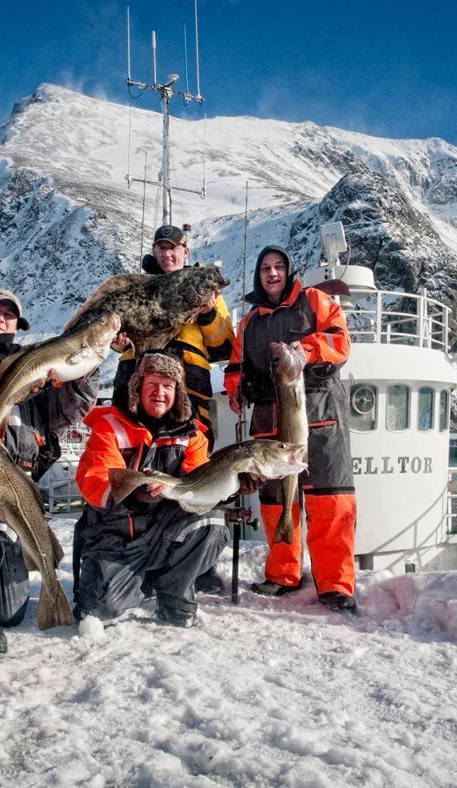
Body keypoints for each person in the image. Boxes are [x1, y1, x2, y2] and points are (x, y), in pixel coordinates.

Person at [0, 288, 95, 654]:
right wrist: (11, 382)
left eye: (8, 315)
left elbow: (68, 410)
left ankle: (11, 593)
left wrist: (86, 367)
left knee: (11, 612)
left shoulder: (32, 364)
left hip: (20, 487)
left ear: (18, 324)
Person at [225, 246, 359, 614]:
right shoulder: (249, 322)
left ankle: (335, 585)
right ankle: (283, 574)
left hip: (319, 415)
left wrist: (305, 349)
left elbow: (340, 342)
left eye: (278, 267)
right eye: (265, 268)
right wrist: (236, 390)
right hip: (270, 422)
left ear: (288, 271)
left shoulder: (315, 301)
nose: (272, 273)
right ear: (258, 275)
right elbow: (237, 365)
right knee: (274, 502)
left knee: (329, 502)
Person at [73, 351, 229, 627]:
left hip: (163, 531)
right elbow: (95, 480)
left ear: (178, 392)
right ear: (138, 387)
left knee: (212, 520)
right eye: (152, 385)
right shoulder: (110, 426)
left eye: (168, 386)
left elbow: (201, 482)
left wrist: (234, 485)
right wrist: (136, 496)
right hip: (117, 535)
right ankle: (141, 579)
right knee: (100, 610)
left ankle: (174, 594)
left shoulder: (193, 433)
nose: (160, 393)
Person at [111, 224, 234, 442]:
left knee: (191, 458)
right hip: (139, 389)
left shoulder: (209, 291)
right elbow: (120, 340)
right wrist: (117, 340)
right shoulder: (138, 289)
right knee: (132, 453)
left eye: (173, 248)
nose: (167, 254)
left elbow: (224, 347)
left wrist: (207, 314)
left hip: (190, 390)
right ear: (153, 251)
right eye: (161, 248)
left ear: (185, 251)